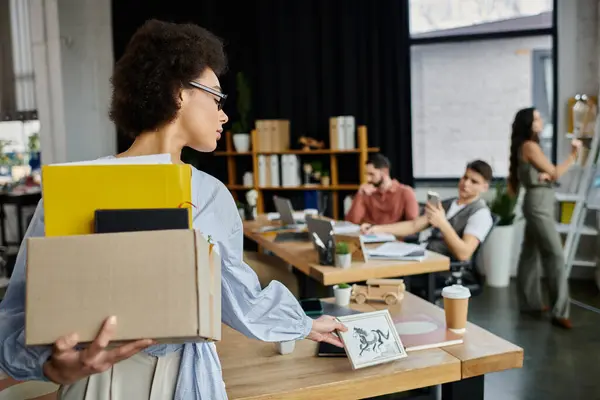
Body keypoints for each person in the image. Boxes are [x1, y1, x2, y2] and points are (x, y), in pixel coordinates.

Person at [0, 20, 347, 399]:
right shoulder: (73, 188)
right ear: (180, 93)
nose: (224, 115)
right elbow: (20, 313)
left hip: (185, 376)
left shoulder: (211, 194)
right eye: (216, 98)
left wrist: (303, 325)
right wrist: (49, 364)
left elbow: (238, 296)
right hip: (94, 378)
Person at [508, 107, 582, 329]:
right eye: (537, 118)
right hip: (539, 204)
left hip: (538, 201)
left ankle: (530, 303)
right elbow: (556, 172)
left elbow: (547, 173)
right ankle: (560, 311)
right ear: (528, 123)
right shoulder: (530, 146)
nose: (540, 121)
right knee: (555, 255)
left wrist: (546, 175)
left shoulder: (526, 146)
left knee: (530, 253)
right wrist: (573, 155)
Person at [361, 160, 494, 262]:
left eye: (474, 182)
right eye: (465, 177)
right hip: (421, 255)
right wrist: (376, 229)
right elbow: (413, 226)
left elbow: (464, 254)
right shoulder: (446, 204)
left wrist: (442, 223)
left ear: (484, 187)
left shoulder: (480, 214)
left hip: (440, 266)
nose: (466, 184)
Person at [345, 153, 419, 225]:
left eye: (371, 174)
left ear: (385, 172)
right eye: (366, 174)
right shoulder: (366, 192)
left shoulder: (405, 192)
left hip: (393, 236)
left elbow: (413, 224)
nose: (368, 179)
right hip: (369, 235)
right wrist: (360, 194)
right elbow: (352, 222)